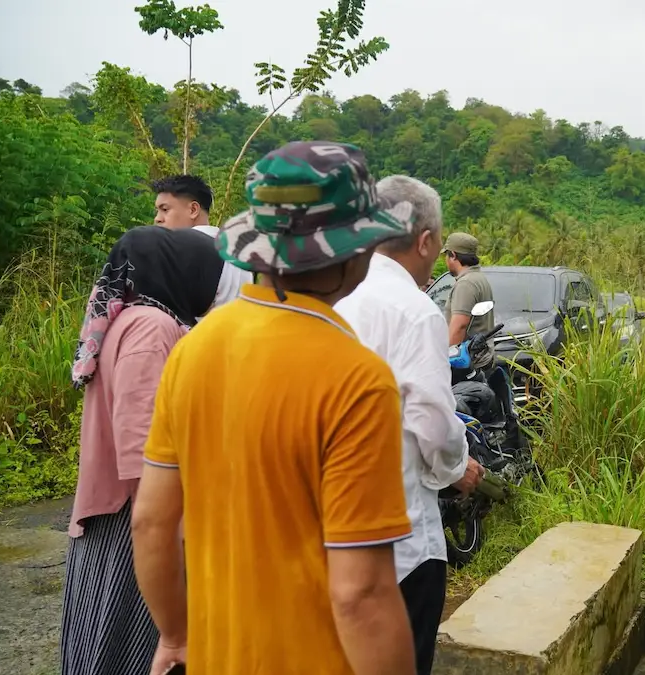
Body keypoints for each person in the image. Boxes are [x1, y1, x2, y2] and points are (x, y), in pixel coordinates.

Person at [131, 141, 418, 675]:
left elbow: (151, 522)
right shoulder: (356, 379)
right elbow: (362, 593)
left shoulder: (197, 344)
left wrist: (174, 636)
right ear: (353, 251)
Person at [334, 175, 485, 675]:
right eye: (437, 244)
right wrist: (457, 467)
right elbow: (435, 428)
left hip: (329, 530)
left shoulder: (334, 296)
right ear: (423, 241)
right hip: (399, 541)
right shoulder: (415, 312)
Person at [61, 225, 224, 675]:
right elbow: (141, 447)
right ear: (182, 272)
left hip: (120, 513)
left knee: (103, 647)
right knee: (133, 647)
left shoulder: (128, 317)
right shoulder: (152, 328)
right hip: (134, 520)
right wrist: (170, 532)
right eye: (209, 273)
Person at [150, 173, 253, 311]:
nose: (157, 219)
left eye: (165, 210)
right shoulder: (236, 253)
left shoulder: (181, 250)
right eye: (157, 211)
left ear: (193, 210)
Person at [442, 232, 494, 347]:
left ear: (453, 255)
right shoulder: (479, 278)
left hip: (466, 361)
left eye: (446, 255)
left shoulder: (466, 284)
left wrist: (446, 359)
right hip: (481, 358)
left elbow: (459, 326)